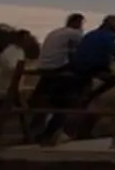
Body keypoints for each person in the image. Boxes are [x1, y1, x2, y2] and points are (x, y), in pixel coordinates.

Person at [31, 13, 86, 144]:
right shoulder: (74, 34)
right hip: (58, 68)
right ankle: (50, 133)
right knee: (66, 102)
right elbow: (83, 47)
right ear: (77, 23)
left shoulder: (55, 32)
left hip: (44, 68)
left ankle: (35, 128)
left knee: (42, 101)